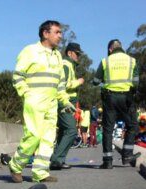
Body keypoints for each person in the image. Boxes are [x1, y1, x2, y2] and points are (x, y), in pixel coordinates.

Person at [9, 20, 74, 183]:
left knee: (48, 138)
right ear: (46, 33)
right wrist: (26, 94)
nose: (60, 36)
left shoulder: (58, 55)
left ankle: (40, 172)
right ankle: (16, 165)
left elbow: (60, 83)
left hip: (52, 103)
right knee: (33, 135)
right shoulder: (30, 51)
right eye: (57, 32)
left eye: (60, 33)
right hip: (35, 101)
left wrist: (65, 100)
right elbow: (18, 76)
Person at [93, 39, 140, 169]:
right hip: (126, 98)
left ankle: (107, 161)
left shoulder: (105, 61)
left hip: (110, 98)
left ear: (110, 49)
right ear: (121, 47)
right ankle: (127, 155)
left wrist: (103, 83)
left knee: (108, 129)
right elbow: (136, 82)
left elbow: (96, 81)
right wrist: (132, 92)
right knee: (132, 126)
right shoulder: (132, 61)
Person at [50, 42, 85, 170]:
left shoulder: (69, 65)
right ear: (70, 53)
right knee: (71, 130)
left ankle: (59, 160)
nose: (78, 57)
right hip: (64, 102)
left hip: (66, 103)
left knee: (64, 132)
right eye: (77, 54)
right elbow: (63, 85)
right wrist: (79, 82)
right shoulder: (66, 65)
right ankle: (56, 159)